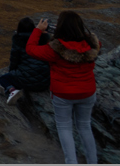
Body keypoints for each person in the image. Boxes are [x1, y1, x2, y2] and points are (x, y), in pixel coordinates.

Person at [26, 11, 101, 164]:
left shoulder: (55, 49)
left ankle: (71, 162)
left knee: (65, 128)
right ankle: (92, 162)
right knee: (84, 126)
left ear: (60, 27)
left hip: (63, 94)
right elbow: (88, 41)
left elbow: (30, 49)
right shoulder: (93, 44)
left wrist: (38, 30)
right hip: (87, 92)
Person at [0, 17, 51, 105]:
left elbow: (14, 60)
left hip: (25, 82)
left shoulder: (18, 40)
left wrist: (12, 72)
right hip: (45, 83)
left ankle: (12, 91)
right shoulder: (44, 39)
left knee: (3, 78)